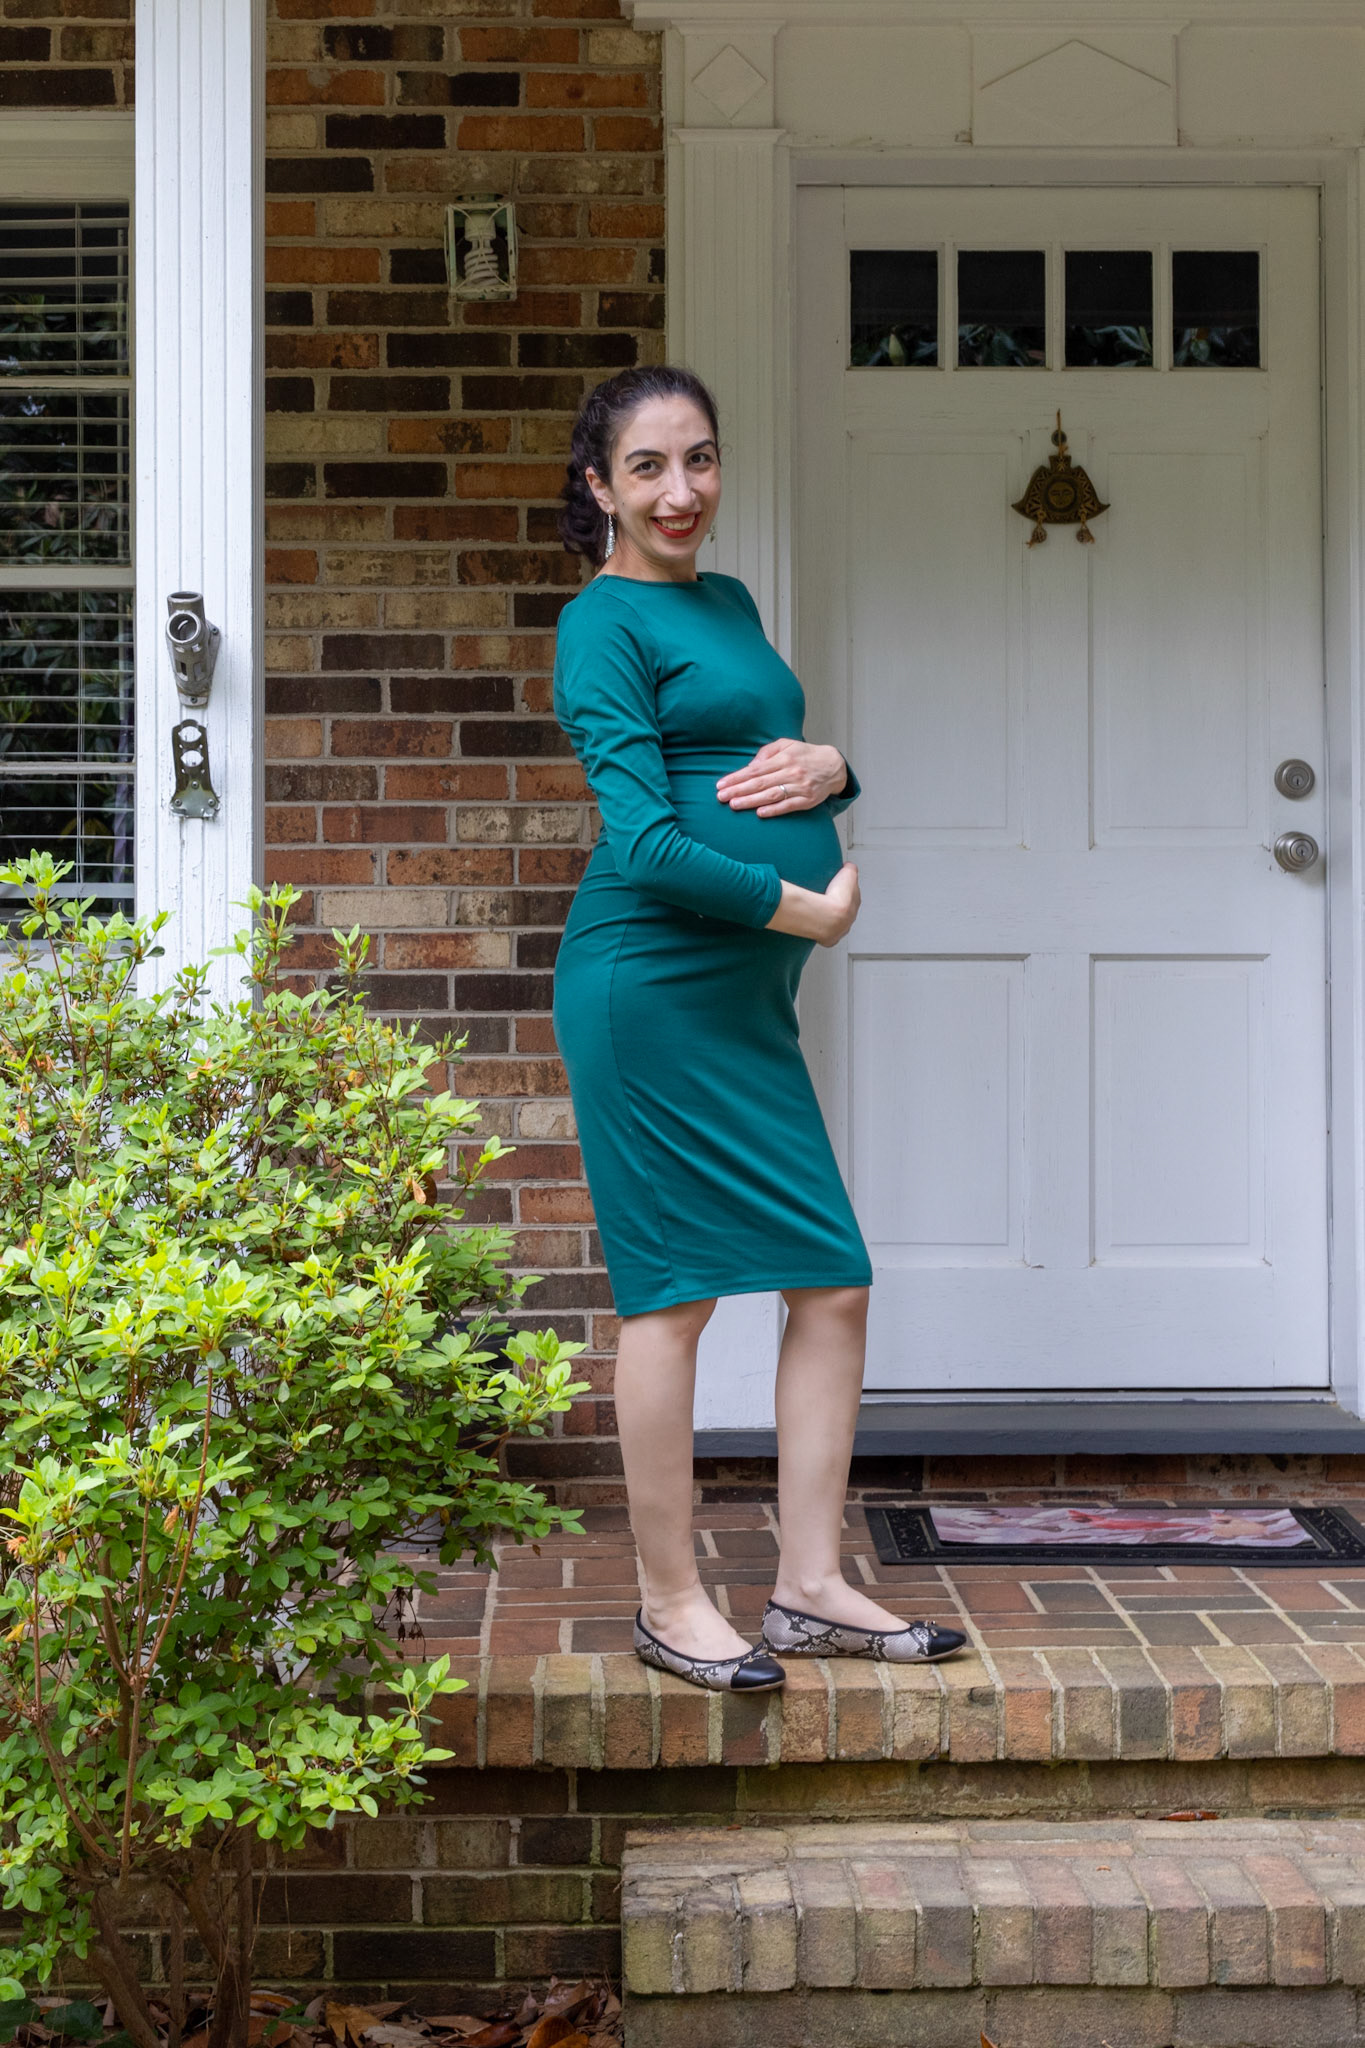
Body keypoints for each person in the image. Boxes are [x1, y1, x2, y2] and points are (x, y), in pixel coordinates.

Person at [551, 366, 966, 1691]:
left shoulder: (724, 602)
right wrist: (805, 911)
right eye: (648, 467)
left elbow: (774, 759)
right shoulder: (599, 626)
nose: (681, 491)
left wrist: (840, 766)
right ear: (600, 486)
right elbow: (643, 838)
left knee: (829, 1278)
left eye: (701, 459)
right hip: (648, 984)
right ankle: (670, 1602)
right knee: (674, 1296)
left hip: (740, 1000)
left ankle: (808, 1585)